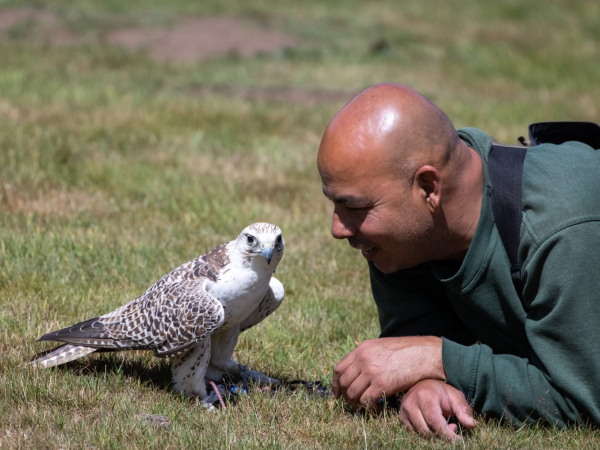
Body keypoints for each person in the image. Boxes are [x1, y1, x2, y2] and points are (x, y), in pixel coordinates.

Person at [317, 83, 600, 440]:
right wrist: (423, 384)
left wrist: (439, 360)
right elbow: (409, 346)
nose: (337, 229)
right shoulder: (405, 240)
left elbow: (585, 399)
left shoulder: (560, 228)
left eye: (355, 207)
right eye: (335, 203)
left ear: (429, 188)